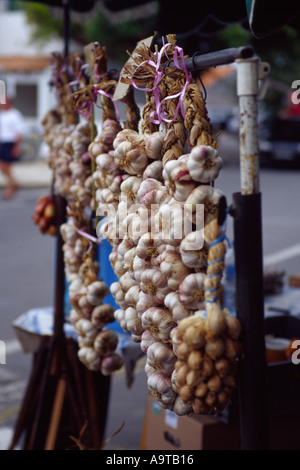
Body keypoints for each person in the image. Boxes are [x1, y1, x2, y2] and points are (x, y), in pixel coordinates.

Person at [0, 97, 24, 199]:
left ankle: (11, 186)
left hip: (10, 142)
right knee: (4, 166)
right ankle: (12, 184)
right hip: (2, 142)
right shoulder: (2, 115)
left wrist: (17, 146)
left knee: (5, 165)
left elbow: (19, 132)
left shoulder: (15, 114)